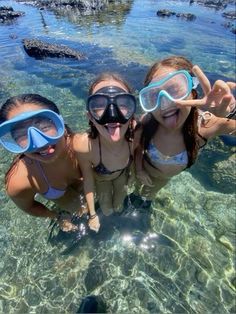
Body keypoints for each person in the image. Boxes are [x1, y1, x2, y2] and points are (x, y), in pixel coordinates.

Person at [134, 56, 236, 201]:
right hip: (144, 169)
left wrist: (231, 113)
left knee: (149, 194)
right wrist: (139, 170)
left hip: (164, 178)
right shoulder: (147, 122)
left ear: (193, 93)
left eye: (174, 90)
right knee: (137, 191)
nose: (165, 104)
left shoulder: (205, 126)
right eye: (154, 95)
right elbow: (137, 147)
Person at [0, 94, 98, 232]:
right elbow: (29, 207)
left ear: (60, 123)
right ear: (14, 142)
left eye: (44, 127)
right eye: (22, 134)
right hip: (63, 198)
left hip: (89, 188)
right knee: (80, 210)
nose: (39, 142)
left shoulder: (84, 146)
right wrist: (57, 216)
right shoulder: (19, 182)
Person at [73, 73, 137, 219]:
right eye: (100, 105)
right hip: (101, 180)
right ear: (90, 116)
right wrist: (93, 215)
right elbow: (88, 180)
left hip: (121, 175)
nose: (112, 115)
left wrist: (134, 174)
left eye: (122, 103)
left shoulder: (136, 135)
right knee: (107, 210)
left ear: (132, 112)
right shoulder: (84, 145)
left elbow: (135, 158)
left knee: (119, 207)